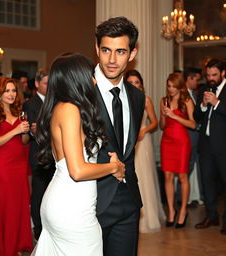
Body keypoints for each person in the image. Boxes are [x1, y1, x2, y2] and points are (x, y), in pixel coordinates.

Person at [31, 53, 125, 256]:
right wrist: (114, 167)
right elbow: (78, 170)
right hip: (71, 208)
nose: (93, 79)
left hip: (65, 203)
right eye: (90, 74)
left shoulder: (63, 107)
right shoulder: (70, 109)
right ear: (76, 77)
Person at [94, 17, 145, 256]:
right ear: (97, 49)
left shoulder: (137, 96)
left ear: (132, 53)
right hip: (91, 203)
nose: (112, 60)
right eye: (106, 50)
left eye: (120, 51)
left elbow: (128, 149)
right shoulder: (81, 92)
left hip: (129, 201)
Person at [0, 77, 33, 256]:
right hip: (2, 165)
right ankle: (3, 247)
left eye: (13, 90)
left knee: (18, 205)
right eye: (7, 91)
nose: (11, 94)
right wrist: (15, 131)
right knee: (5, 206)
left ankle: (16, 244)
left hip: (19, 164)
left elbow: (24, 142)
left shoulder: (19, 112)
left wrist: (26, 132)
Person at [125, 69, 165, 233]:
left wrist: (144, 130)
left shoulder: (145, 100)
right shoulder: (122, 99)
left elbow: (155, 122)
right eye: (131, 82)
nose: (134, 85)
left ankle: (148, 218)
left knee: (144, 178)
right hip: (128, 142)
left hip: (142, 141)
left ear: (141, 84)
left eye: (137, 82)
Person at [194, 59, 226, 235]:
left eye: (214, 75)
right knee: (207, 183)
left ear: (223, 73)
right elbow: (196, 116)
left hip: (223, 146)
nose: (211, 78)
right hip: (205, 145)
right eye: (208, 75)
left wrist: (217, 103)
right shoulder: (204, 90)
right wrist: (204, 106)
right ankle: (211, 215)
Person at [160, 72, 196, 229]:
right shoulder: (164, 101)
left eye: (174, 86)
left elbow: (193, 125)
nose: (171, 89)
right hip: (167, 141)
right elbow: (162, 126)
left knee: (182, 177)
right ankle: (171, 212)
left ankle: (183, 211)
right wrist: (163, 115)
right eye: (169, 86)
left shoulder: (186, 100)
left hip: (181, 142)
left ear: (180, 86)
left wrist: (174, 117)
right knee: (167, 176)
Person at [23, 68, 54, 241]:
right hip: (38, 156)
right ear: (36, 84)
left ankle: (50, 230)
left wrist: (42, 128)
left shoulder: (55, 101)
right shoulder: (30, 104)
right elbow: (33, 132)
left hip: (55, 157)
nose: (49, 87)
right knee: (39, 195)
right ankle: (39, 231)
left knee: (52, 196)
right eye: (45, 83)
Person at [183, 67, 203, 206]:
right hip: (187, 137)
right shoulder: (183, 96)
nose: (198, 82)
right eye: (196, 79)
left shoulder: (194, 95)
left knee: (192, 167)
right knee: (185, 169)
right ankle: (182, 198)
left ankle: (192, 196)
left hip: (196, 137)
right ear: (189, 78)